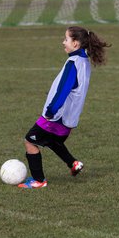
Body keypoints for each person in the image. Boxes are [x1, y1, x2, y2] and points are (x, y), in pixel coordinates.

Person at [18, 26, 110, 189]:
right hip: (69, 119)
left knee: (30, 141)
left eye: (66, 39)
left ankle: (38, 181)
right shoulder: (84, 61)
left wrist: (51, 110)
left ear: (75, 43)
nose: (63, 42)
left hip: (57, 116)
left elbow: (64, 90)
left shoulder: (73, 64)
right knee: (53, 141)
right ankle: (73, 163)